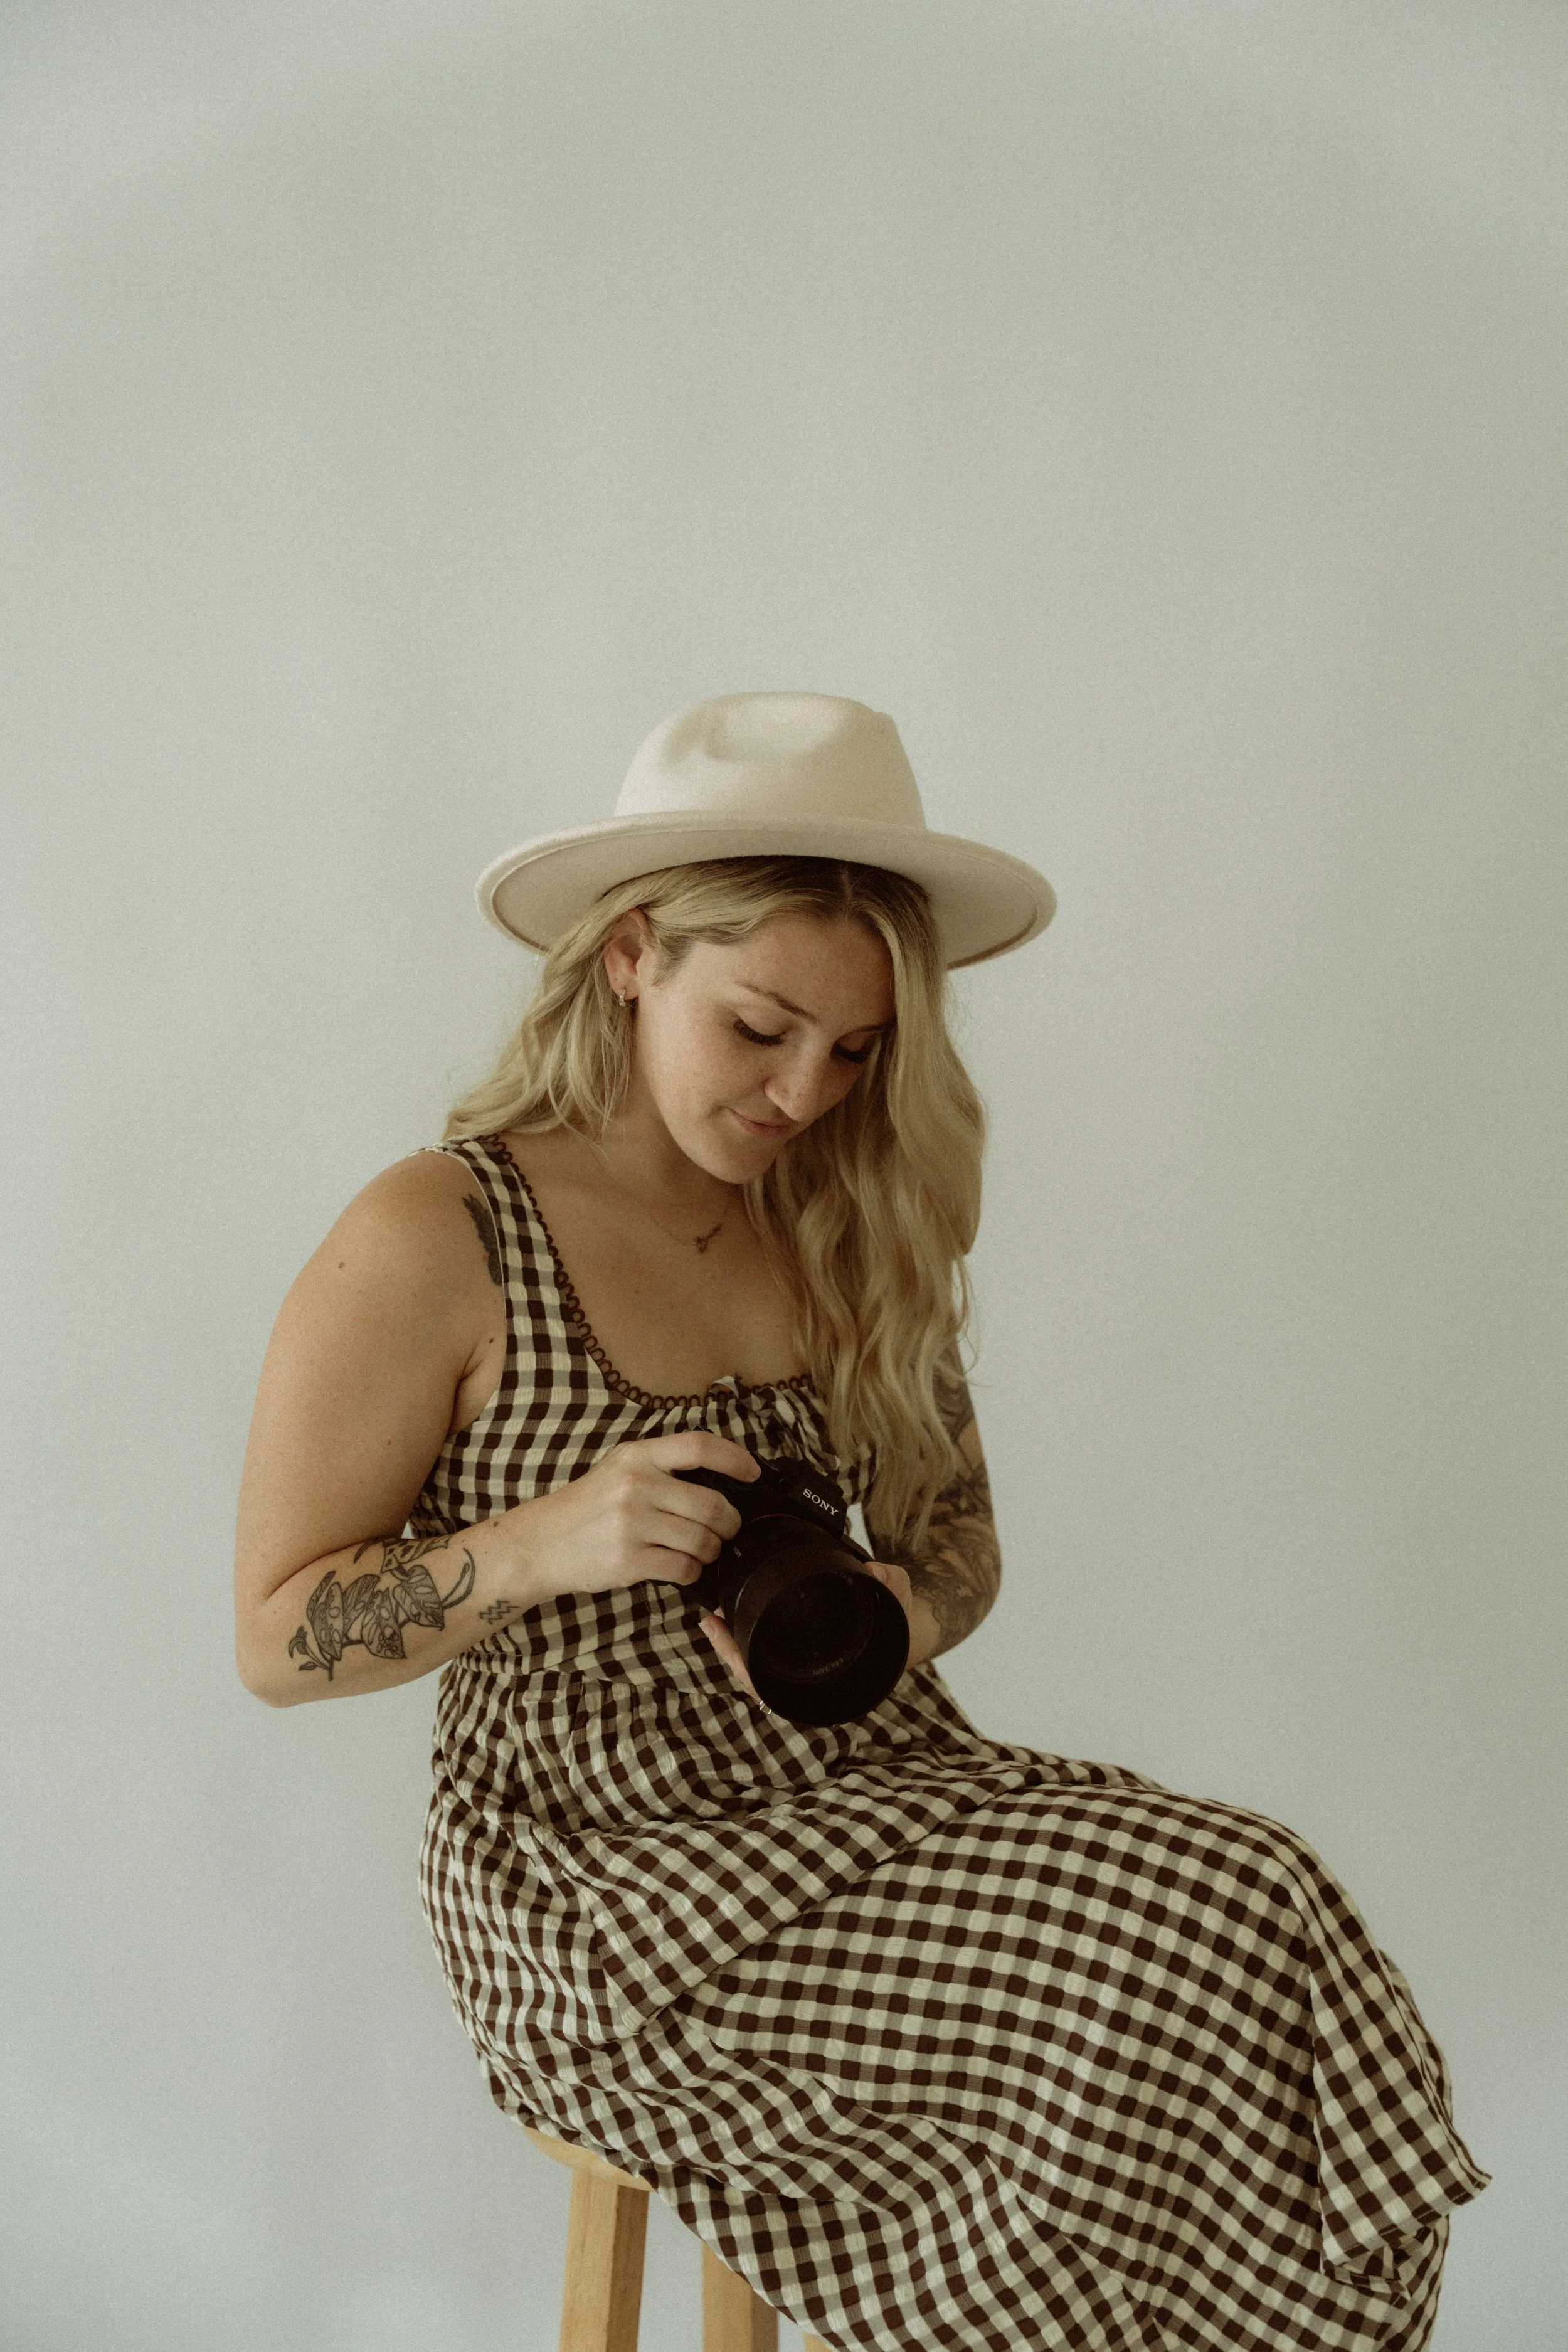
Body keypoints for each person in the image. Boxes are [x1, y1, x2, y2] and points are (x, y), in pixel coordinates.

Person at [235, 694, 1486, 2352]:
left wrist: (902, 1613)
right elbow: (274, 1638)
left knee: (1246, 1899)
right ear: (628, 956)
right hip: (601, 1874)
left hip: (873, 1788)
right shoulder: (441, 1231)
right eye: (759, 1026)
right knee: (1135, 1969)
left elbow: (959, 1540)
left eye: (854, 1047)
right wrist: (550, 1539)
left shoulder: (838, 1220)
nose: (802, 1091)